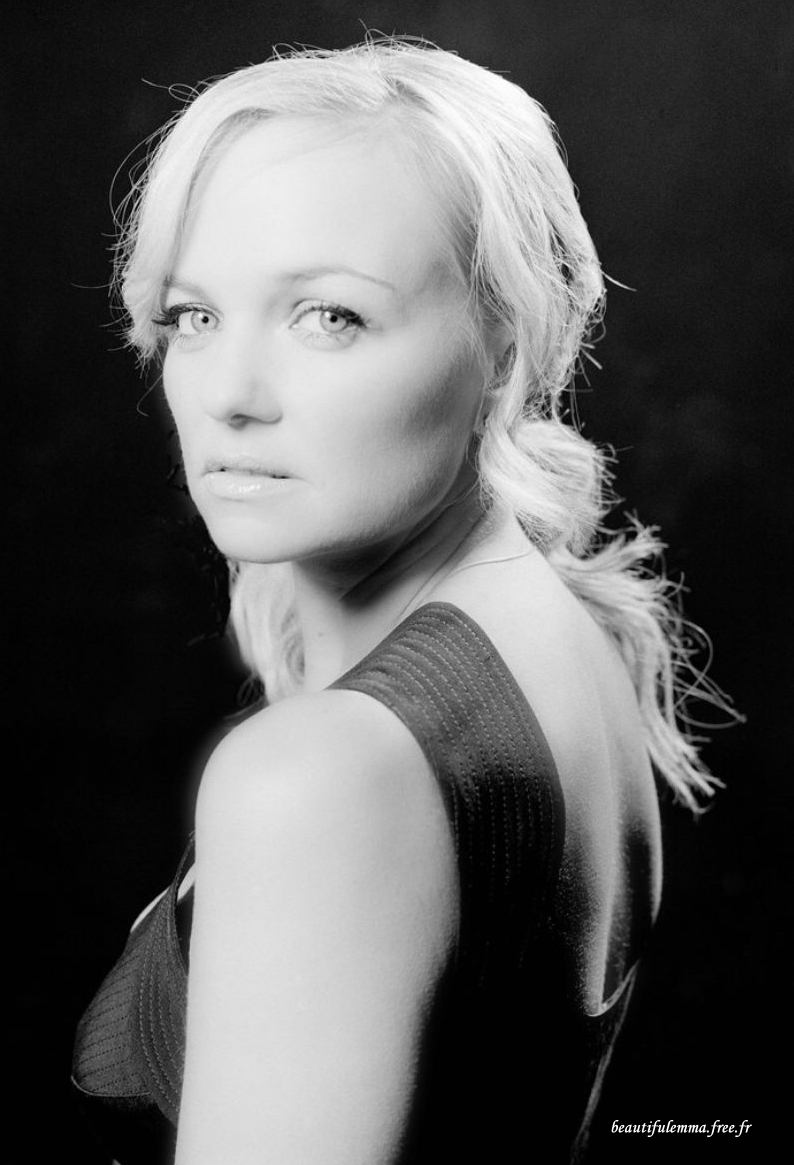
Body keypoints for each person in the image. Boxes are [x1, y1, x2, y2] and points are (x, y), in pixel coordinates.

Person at [72, 38, 724, 1164]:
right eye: (194, 316)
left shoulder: (326, 775)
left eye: (330, 316)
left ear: (506, 345)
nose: (230, 396)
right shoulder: (566, 639)